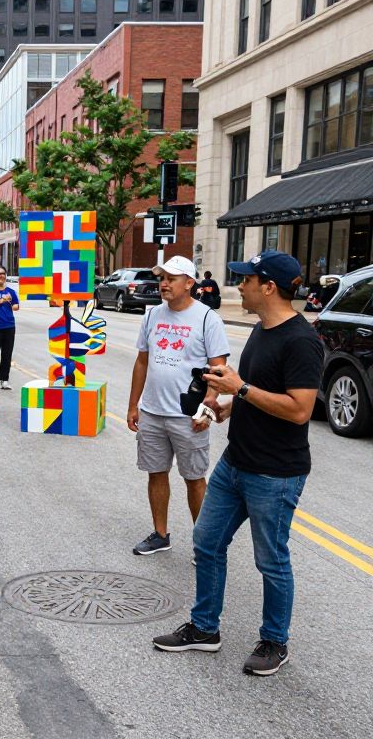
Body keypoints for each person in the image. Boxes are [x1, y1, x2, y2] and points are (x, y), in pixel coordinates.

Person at [153, 250, 323, 677]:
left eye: (247, 280)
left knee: (272, 560)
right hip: (236, 462)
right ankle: (205, 629)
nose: (240, 285)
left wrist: (240, 389)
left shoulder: (301, 340)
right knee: (206, 543)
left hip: (275, 473)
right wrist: (226, 406)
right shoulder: (262, 329)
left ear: (268, 287)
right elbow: (257, 393)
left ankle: (274, 642)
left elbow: (300, 410)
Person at [127, 256, 229, 557]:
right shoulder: (152, 316)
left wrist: (209, 408)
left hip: (188, 415)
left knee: (194, 479)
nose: (164, 283)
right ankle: (160, 535)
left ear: (189, 283)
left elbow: (218, 368)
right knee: (156, 473)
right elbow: (142, 361)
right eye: (162, 277)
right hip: (153, 412)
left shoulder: (208, 319)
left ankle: (204, 546)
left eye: (171, 278)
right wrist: (134, 405)